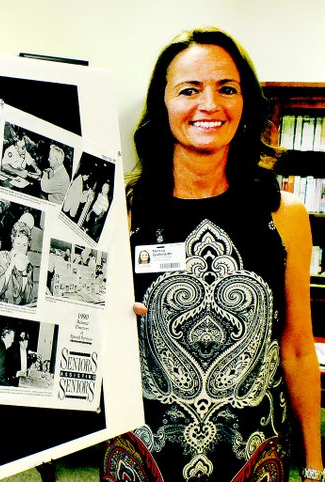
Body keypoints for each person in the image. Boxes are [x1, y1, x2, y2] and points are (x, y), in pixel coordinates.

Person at [101, 28, 323, 482]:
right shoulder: (120, 211)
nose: (209, 105)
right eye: (189, 90)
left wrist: (315, 467)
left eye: (227, 88)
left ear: (245, 104)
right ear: (162, 104)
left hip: (254, 461)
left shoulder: (285, 215)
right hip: (142, 460)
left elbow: (299, 350)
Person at [0, 219, 36, 306]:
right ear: (13, 243)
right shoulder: (3, 257)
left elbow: (27, 300)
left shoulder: (29, 266)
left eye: (24, 245)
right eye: (18, 243)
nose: (21, 248)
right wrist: (11, 266)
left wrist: (25, 272)